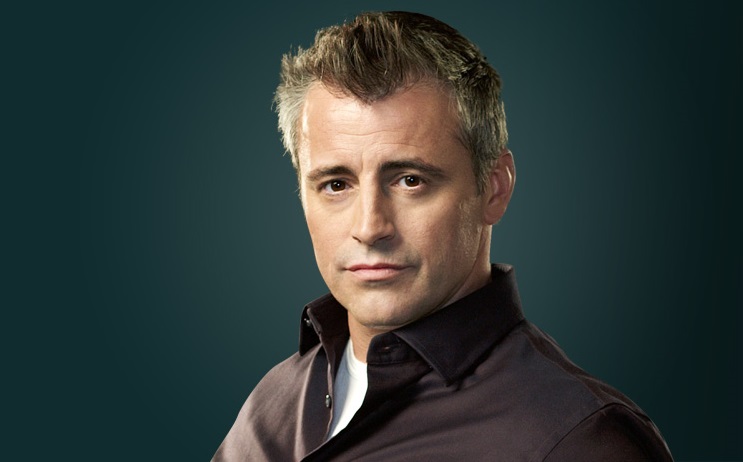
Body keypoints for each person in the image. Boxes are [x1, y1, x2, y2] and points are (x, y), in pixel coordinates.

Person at [212, 11, 673, 461]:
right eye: (336, 185)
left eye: (410, 180)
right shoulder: (268, 408)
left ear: (494, 188)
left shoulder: (578, 440)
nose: (369, 227)